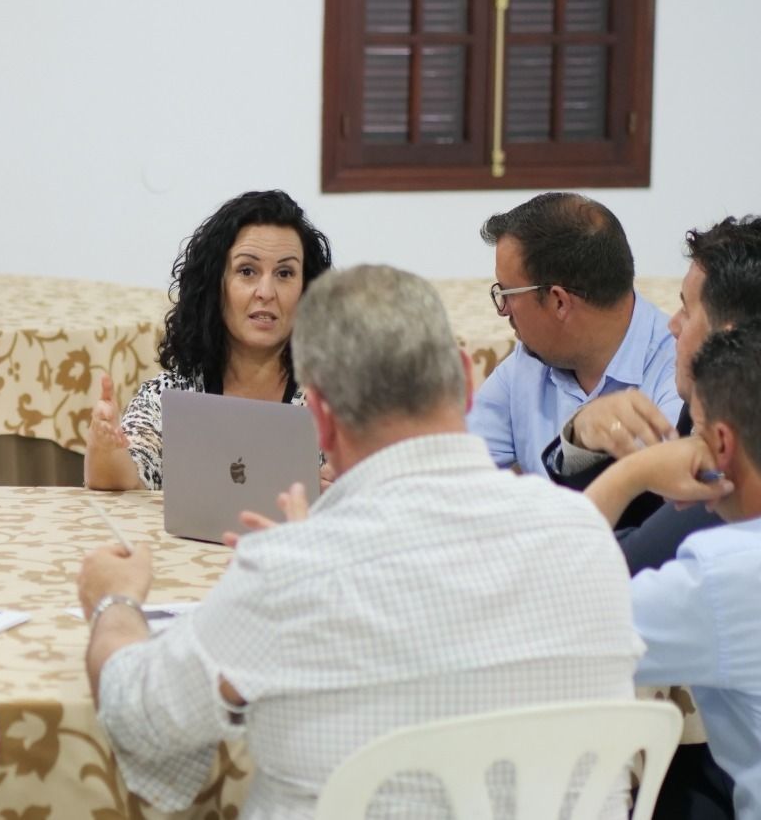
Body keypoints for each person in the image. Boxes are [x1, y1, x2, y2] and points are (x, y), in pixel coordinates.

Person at [78, 265, 642, 817]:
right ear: (469, 382)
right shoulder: (586, 538)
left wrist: (115, 605)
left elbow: (142, 715)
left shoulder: (292, 572)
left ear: (319, 417)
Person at [583, 323, 761, 818]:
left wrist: (630, 474)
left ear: (719, 445)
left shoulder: (722, 577)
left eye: (695, 429)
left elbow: (560, 612)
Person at [551, 215, 761, 575]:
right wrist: (583, 435)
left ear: (725, 337)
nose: (672, 325)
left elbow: (598, 568)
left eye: (686, 309)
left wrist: (633, 471)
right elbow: (642, 514)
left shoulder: (734, 464)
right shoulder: (697, 409)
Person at [84, 190, 333, 490]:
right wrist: (105, 447)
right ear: (215, 286)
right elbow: (126, 478)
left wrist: (344, 490)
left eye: (284, 273)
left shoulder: (338, 402)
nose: (266, 292)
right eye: (247, 271)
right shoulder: (171, 396)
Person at [469, 192, 679, 476]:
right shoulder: (527, 364)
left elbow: (660, 494)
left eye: (506, 293)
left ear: (559, 301)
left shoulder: (681, 373)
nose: (502, 310)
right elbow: (453, 470)